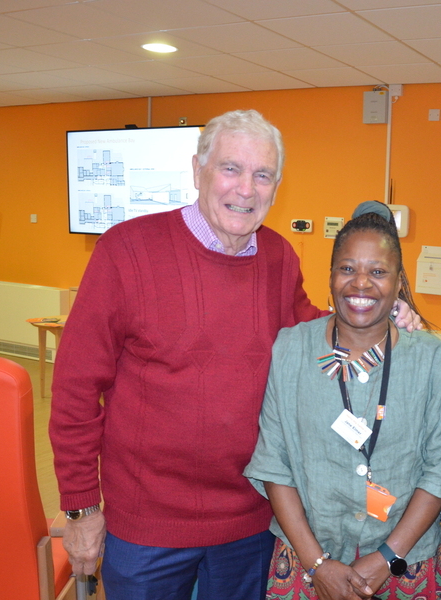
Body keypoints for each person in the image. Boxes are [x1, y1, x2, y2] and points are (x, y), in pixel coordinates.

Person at [49, 110, 419, 600]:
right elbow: (75, 387)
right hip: (147, 529)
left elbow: (317, 338)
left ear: (276, 185)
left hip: (248, 523)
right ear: (197, 169)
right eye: (230, 169)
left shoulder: (278, 257)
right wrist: (80, 508)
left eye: (262, 175)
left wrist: (382, 319)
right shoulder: (127, 251)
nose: (246, 189)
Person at [245, 201, 441, 600]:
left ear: (397, 282)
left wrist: (386, 558)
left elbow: (438, 469)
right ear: (330, 276)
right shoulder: (291, 349)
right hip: (308, 563)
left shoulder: (428, 358)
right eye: (347, 269)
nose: (361, 283)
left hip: (406, 564)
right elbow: (275, 464)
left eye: (378, 272)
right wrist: (317, 564)